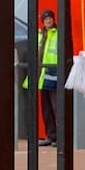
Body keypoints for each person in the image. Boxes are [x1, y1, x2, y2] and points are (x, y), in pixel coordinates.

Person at [24, 11, 61, 146]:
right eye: (46, 19)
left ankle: (61, 137)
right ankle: (51, 136)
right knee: (46, 109)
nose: (48, 21)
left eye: (50, 18)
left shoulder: (58, 33)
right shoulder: (39, 34)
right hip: (41, 75)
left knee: (57, 107)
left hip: (54, 74)